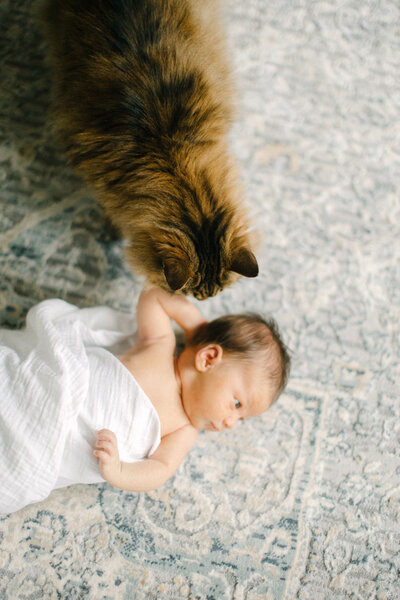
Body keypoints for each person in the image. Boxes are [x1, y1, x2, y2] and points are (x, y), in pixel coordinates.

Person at [0, 287, 290, 514]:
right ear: (209, 358)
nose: (231, 422)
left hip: (52, 446)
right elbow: (154, 295)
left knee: (15, 474)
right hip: (49, 392)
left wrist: (120, 470)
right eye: (237, 405)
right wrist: (197, 326)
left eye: (241, 419)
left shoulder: (184, 430)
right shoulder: (159, 345)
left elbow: (159, 471)